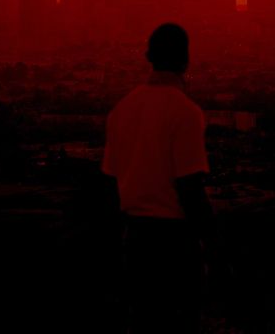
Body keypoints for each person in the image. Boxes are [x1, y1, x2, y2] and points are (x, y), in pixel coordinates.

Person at [101, 23, 217, 334]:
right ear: (185, 59)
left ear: (149, 57)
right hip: (175, 243)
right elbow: (190, 188)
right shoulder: (185, 112)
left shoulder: (121, 111)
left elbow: (110, 185)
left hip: (135, 240)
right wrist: (215, 248)